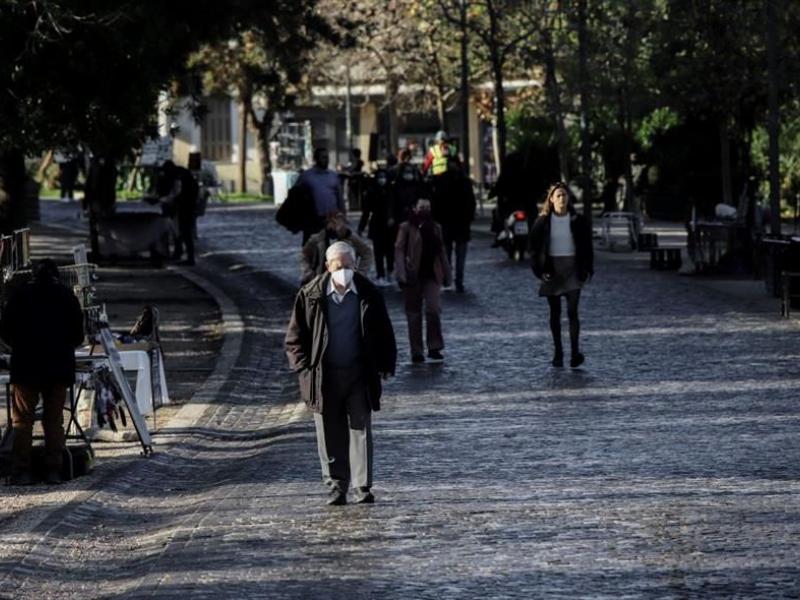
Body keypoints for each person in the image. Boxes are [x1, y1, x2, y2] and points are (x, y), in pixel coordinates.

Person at [285, 241, 397, 506]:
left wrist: (386, 363)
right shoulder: (311, 294)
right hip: (323, 375)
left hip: (359, 372)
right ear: (327, 266)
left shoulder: (368, 293)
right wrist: (303, 367)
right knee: (329, 430)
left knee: (360, 428)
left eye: (348, 266)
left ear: (355, 266)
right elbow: (294, 337)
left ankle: (362, 486)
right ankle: (336, 485)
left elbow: (384, 331)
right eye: (338, 266)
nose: (344, 271)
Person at [0, 259, 85, 485]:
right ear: (56, 275)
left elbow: (5, 332)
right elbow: (79, 336)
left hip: (26, 367)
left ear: (33, 275)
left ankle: (21, 471)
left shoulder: (19, 296)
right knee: (54, 420)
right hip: (58, 367)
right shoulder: (67, 297)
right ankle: (53, 470)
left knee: (22, 421)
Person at [529, 183, 594, 369]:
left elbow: (586, 245)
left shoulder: (577, 220)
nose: (561, 199)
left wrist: (588, 268)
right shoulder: (543, 222)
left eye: (564, 195)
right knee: (555, 313)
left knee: (573, 311)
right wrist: (539, 271)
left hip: (572, 267)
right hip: (552, 268)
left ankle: (575, 352)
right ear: (551, 199)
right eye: (558, 195)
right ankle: (558, 352)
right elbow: (534, 248)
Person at [395, 198, 452, 364]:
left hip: (432, 275)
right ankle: (416, 351)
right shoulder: (405, 227)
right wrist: (401, 273)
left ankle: (434, 347)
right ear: (414, 208)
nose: (424, 210)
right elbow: (398, 249)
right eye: (421, 207)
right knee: (413, 314)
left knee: (433, 309)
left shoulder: (436, 227)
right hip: (412, 275)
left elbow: (442, 251)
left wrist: (448, 274)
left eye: (427, 207)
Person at [432, 158, 476, 293]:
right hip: (457, 223)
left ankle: (450, 279)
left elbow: (436, 202)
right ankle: (457, 280)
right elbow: (471, 203)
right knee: (455, 255)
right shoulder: (464, 181)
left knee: (448, 254)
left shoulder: (442, 180)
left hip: (450, 223)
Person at [301, 213, 373, 285]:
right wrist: (308, 272)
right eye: (332, 222)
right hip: (322, 279)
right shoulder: (318, 238)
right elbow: (304, 254)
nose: (336, 225)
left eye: (338, 221)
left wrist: (361, 273)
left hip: (346, 280)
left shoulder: (350, 237)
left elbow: (367, 252)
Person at [295, 148, 345, 244]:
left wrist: (343, 216)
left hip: (330, 219)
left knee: (329, 249)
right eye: (322, 157)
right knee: (310, 248)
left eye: (326, 157)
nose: (325, 160)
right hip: (311, 219)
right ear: (316, 159)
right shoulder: (307, 176)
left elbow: (339, 198)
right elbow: (295, 196)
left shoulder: (333, 176)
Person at [358, 169, 398, 286]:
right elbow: (366, 212)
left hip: (389, 226)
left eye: (383, 177)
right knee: (379, 253)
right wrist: (361, 227)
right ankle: (381, 274)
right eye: (379, 177)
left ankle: (390, 272)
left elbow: (395, 207)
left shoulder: (391, 191)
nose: (382, 179)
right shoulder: (371, 192)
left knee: (390, 252)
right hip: (377, 225)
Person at [159, 160, 199, 266]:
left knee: (185, 232)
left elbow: (176, 194)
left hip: (185, 206)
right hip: (186, 206)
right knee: (179, 231)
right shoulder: (182, 174)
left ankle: (190, 258)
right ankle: (180, 253)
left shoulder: (179, 177)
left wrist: (164, 200)